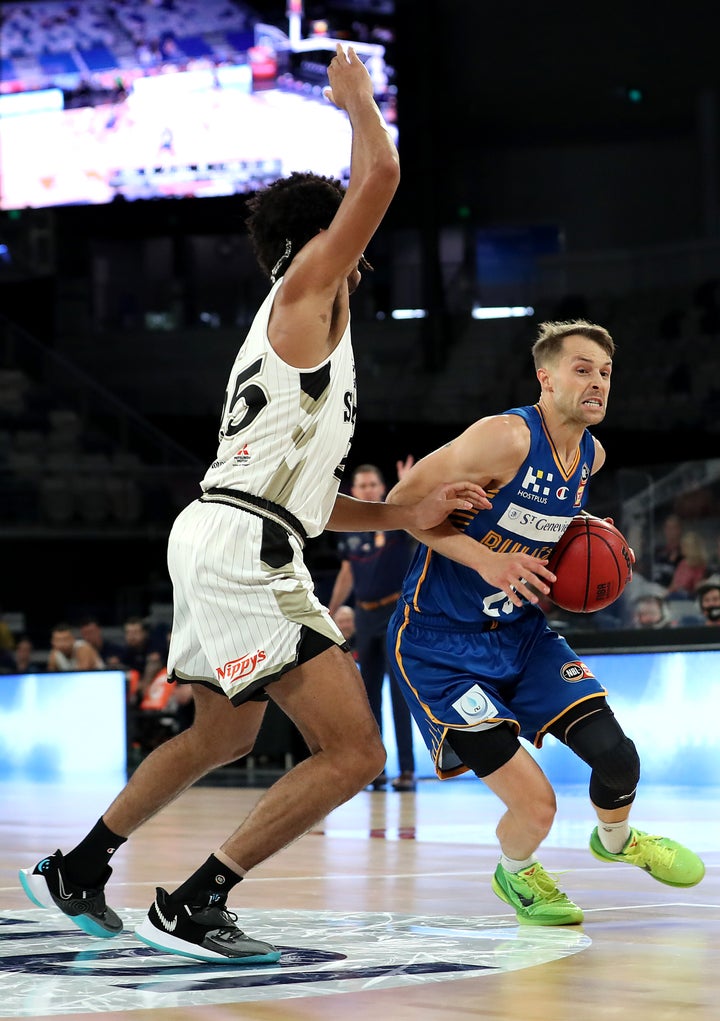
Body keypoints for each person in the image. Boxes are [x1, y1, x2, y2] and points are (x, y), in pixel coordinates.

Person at [20, 45, 487, 965]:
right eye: (350, 235)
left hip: (228, 525)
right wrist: (356, 101)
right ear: (324, 238)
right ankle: (196, 901)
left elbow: (309, 504)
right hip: (244, 545)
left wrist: (401, 515)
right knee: (354, 752)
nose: (363, 253)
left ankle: (80, 865)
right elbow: (381, 177)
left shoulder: (307, 327)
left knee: (223, 731)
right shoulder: (309, 283)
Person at [385, 319, 705, 927]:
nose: (597, 382)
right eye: (582, 369)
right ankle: (516, 872)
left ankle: (617, 841)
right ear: (546, 378)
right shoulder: (502, 438)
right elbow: (400, 506)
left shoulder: (592, 455)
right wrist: (487, 560)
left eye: (605, 372)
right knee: (537, 808)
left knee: (619, 759)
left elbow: (545, 522)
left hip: (522, 636)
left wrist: (595, 540)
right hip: (439, 648)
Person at [328, 460, 418, 791]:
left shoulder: (394, 518)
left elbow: (415, 515)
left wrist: (408, 485)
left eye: (372, 485)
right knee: (368, 695)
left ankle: (406, 770)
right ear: (353, 491)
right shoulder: (350, 529)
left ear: (382, 489)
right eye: (362, 486)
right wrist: (331, 610)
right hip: (364, 616)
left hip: (396, 611)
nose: (367, 490)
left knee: (399, 692)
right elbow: (347, 573)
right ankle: (375, 769)